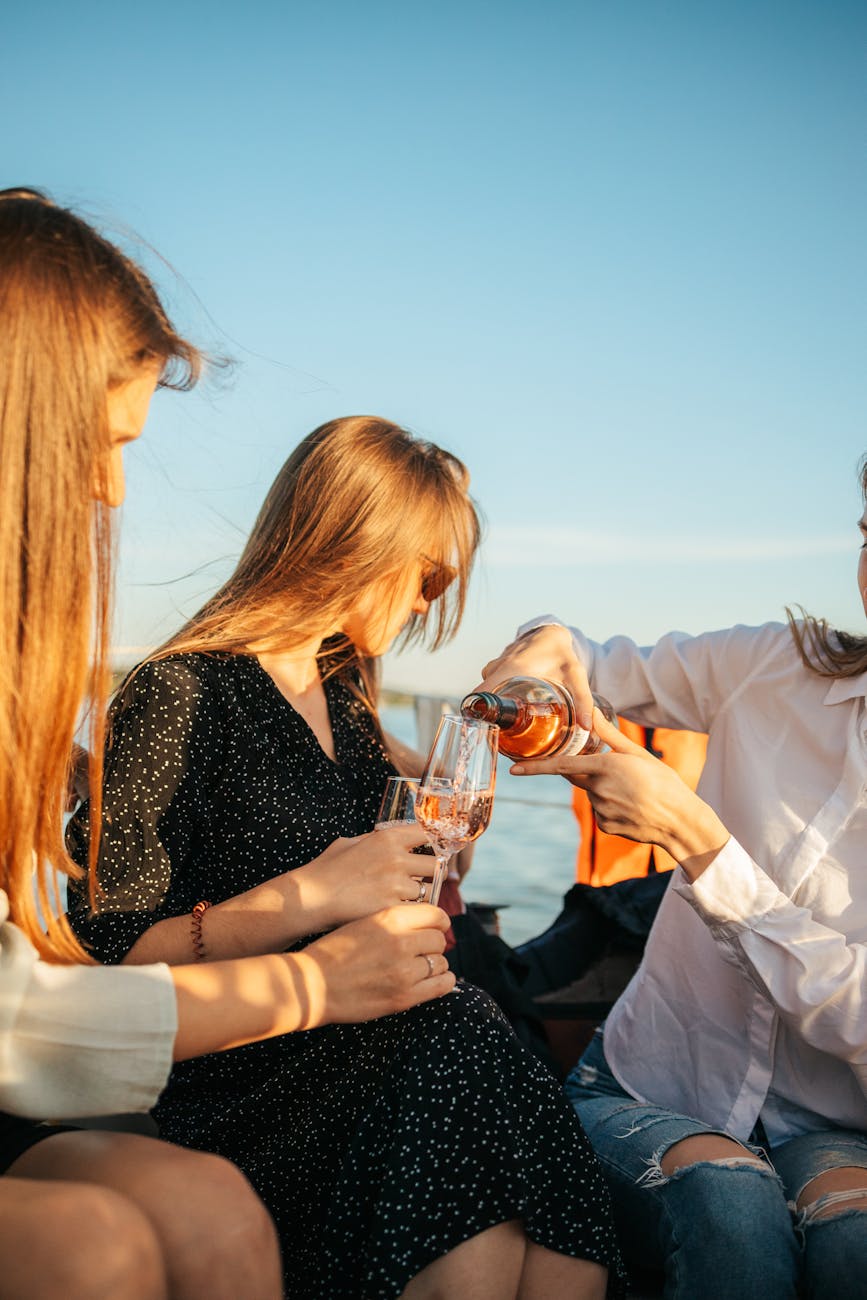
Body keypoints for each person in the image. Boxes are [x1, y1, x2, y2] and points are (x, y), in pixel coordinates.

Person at [0, 188, 457, 1300]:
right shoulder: (179, 693)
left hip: (153, 1045)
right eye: (99, 443)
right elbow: (68, 977)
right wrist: (306, 959)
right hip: (211, 1058)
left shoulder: (346, 710)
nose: (111, 490)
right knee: (97, 1247)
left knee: (224, 1210)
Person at [67, 416, 624, 1300]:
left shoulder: (344, 699)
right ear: (357, 544)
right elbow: (109, 957)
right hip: (252, 1065)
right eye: (428, 575)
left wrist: (440, 852)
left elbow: (417, 843)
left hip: (384, 1038)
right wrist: (309, 896)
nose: (427, 602)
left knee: (477, 1056)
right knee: (460, 1051)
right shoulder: (178, 694)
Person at [478, 477, 867, 1299]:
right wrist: (538, 662)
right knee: (727, 1207)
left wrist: (694, 839)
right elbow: (584, 662)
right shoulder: (772, 663)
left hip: (838, 1130)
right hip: (644, 1083)